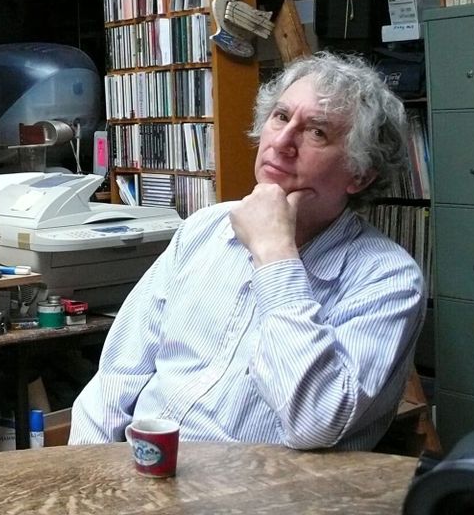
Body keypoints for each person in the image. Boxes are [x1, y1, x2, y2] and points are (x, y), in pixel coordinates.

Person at [70, 52, 426, 451]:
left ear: (360, 176)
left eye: (317, 133)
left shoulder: (388, 277)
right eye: (280, 116)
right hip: (143, 479)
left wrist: (275, 254)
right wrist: (87, 483)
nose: (282, 142)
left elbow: (316, 421)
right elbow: (116, 379)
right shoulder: (205, 228)